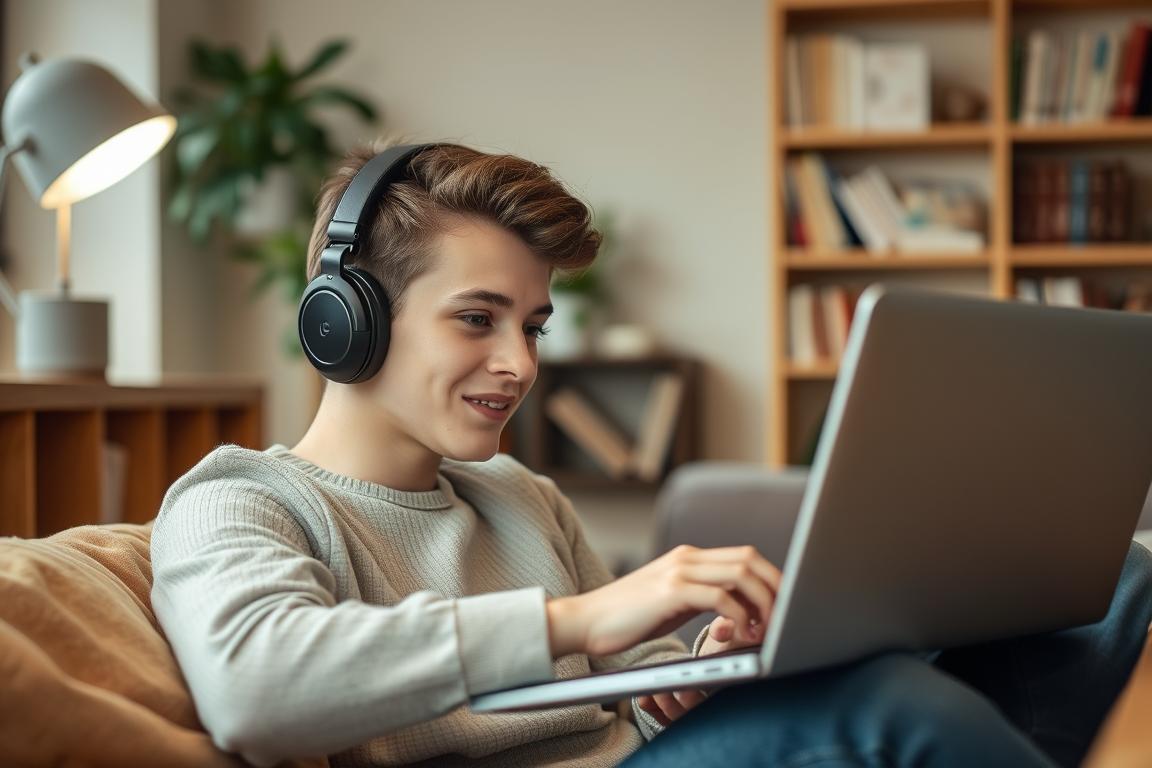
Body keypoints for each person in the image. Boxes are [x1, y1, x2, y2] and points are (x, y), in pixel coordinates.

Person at [150, 141, 1152, 768]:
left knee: (1120, 587)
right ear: (345, 322)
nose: (516, 363)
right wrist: (579, 618)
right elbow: (254, 690)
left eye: (532, 325)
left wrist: (693, 674)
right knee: (880, 710)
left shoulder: (516, 495)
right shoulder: (241, 498)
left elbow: (636, 699)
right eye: (475, 319)